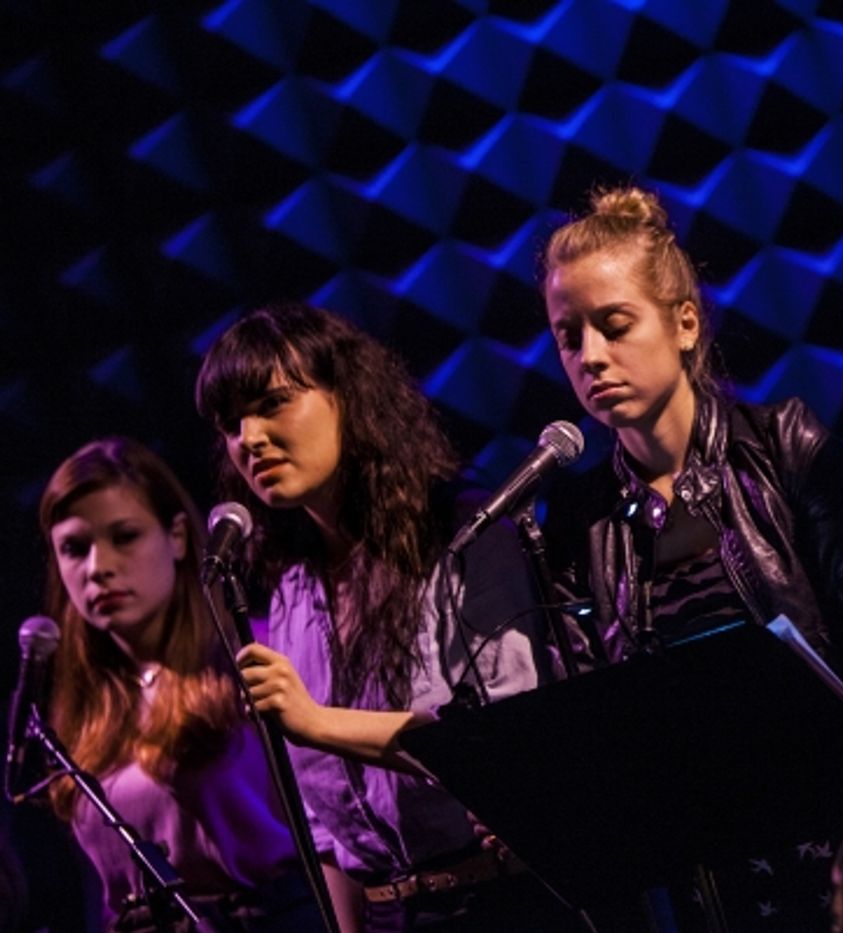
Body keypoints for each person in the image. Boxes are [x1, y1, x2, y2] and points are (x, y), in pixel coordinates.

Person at [539, 185, 843, 933]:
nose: (590, 356)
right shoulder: (580, 520)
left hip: (842, 840)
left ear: (684, 323)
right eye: (568, 336)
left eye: (614, 325)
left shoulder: (784, 444)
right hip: (709, 880)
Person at [194, 304, 576, 932]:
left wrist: (316, 721)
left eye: (272, 404)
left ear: (348, 397)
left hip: (501, 902)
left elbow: (505, 743)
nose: (249, 438)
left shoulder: (465, 536)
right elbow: (324, 832)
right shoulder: (293, 592)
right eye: (231, 424)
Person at [36, 436, 319, 931]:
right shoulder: (83, 708)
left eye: (125, 536)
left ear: (178, 537)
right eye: (74, 549)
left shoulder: (259, 653)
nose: (98, 568)